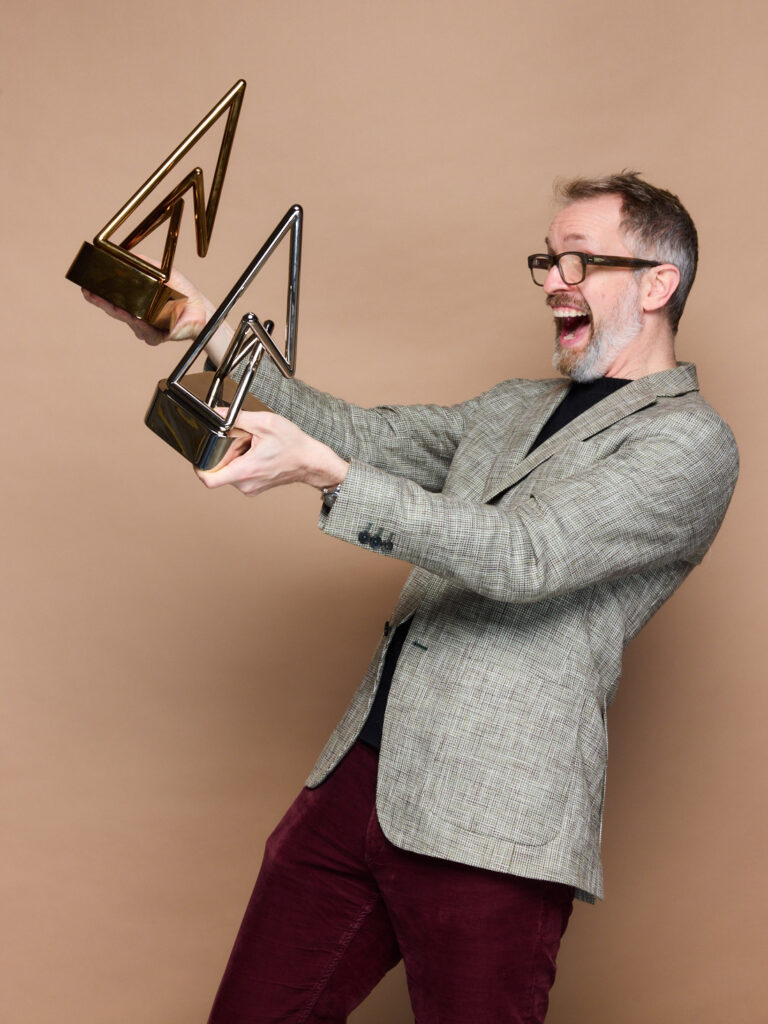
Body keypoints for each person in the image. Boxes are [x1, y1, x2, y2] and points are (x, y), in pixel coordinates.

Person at [85, 172, 738, 1024]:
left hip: (492, 822)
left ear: (659, 284)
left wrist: (330, 477)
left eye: (580, 261)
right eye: (548, 259)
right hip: (359, 781)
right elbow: (363, 436)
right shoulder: (512, 407)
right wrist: (198, 327)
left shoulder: (689, 445)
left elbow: (528, 556)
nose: (552, 281)